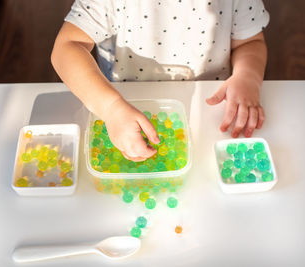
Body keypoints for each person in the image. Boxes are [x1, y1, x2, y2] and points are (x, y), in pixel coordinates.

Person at [51, 0, 269, 162]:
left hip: (209, 110)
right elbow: (66, 46)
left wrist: (247, 76)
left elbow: (249, 43)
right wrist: (110, 107)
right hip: (125, 106)